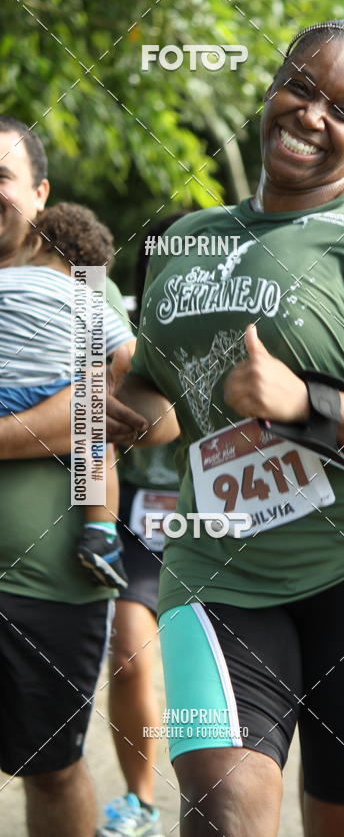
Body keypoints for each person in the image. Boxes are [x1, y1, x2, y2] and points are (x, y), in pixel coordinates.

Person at [107, 18, 344, 837]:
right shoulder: (185, 242)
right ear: (272, 88)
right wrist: (129, 414)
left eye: (343, 110)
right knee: (223, 814)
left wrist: (307, 402)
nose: (312, 116)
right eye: (301, 87)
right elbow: (163, 400)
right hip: (219, 570)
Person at [0, 114, 134, 837]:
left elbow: (144, 413)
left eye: (1, 178)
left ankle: (98, 531)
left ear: (39, 195)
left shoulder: (85, 288)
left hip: (48, 585)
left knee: (51, 766)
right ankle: (101, 529)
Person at [98, 217, 187, 837]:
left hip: (221, 530)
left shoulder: (246, 333)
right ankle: (141, 803)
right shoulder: (116, 339)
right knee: (130, 658)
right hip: (133, 528)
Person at [0, 202, 133, 589]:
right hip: (49, 397)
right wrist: (110, 380)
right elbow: (128, 353)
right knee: (97, 433)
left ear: (37, 243)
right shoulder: (86, 298)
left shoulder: (7, 279)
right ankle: (100, 535)